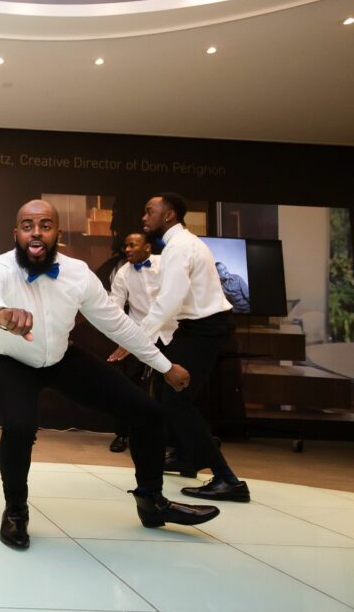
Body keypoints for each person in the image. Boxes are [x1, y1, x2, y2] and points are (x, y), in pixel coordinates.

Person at [0, 199, 219, 551]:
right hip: (11, 359)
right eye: (27, 226)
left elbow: (118, 325)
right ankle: (16, 511)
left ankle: (152, 501)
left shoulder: (77, 274)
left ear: (58, 232)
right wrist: (0, 312)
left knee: (147, 413)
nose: (36, 233)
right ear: (16, 234)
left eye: (44, 225)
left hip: (59, 357)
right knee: (19, 428)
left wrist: (165, 366)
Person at [131, 192, 251, 501]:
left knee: (175, 399)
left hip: (205, 329)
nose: (144, 217)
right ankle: (187, 457)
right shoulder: (183, 243)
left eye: (149, 211)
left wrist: (138, 338)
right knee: (164, 386)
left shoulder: (179, 247)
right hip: (197, 327)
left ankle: (228, 479)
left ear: (168, 216)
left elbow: (170, 300)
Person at [105, 232, 177, 454]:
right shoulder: (123, 273)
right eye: (125, 246)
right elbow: (115, 307)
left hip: (170, 331)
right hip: (138, 335)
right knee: (127, 384)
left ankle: (170, 440)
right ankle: (122, 434)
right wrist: (121, 336)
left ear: (147, 247)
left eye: (132, 245)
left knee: (169, 387)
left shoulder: (164, 264)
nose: (127, 249)